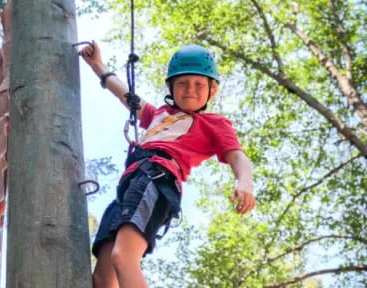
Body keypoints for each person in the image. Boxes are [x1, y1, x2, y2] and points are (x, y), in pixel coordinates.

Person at [79, 41, 256, 288]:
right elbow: (125, 95)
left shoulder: (214, 124)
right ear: (171, 87)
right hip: (130, 183)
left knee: (124, 256)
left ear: (211, 91)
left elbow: (238, 157)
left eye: (199, 84)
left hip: (157, 178)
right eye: (182, 83)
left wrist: (244, 182)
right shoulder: (158, 115)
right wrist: (98, 65)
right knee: (103, 277)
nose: (190, 90)